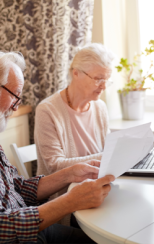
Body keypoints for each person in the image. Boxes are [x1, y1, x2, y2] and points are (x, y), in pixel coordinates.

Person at [0, 51, 114, 244]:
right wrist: (71, 201)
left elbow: (16, 187)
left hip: (25, 229)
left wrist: (70, 174)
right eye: (15, 95)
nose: (16, 106)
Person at [35, 43, 114, 225]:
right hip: (66, 204)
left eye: (106, 80)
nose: (103, 86)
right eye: (98, 79)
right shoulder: (47, 110)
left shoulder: (100, 107)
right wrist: (109, 156)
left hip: (99, 194)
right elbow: (55, 166)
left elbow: (108, 149)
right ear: (75, 73)